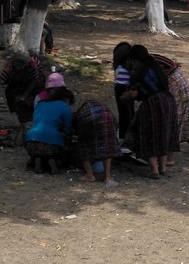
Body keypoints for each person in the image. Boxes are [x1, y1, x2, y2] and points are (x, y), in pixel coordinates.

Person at [123, 45, 178, 179]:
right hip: (168, 101)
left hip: (153, 104)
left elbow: (134, 93)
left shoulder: (139, 72)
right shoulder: (156, 67)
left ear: (135, 59)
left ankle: (154, 171)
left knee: (149, 135)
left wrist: (125, 97)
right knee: (164, 134)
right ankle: (163, 168)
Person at [24, 73, 74, 174]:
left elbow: (36, 120)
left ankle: (36, 159)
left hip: (31, 140)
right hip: (52, 144)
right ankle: (54, 160)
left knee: (39, 150)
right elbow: (67, 128)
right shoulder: (65, 107)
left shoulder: (40, 103)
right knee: (62, 149)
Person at [0, 51, 47, 125]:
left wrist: (25, 95)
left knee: (33, 96)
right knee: (10, 93)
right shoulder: (9, 67)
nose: (19, 67)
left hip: (34, 80)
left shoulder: (32, 65)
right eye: (17, 65)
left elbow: (35, 80)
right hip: (18, 80)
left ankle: (33, 115)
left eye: (22, 66)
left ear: (26, 64)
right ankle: (18, 115)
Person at [72, 99, 120, 186]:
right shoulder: (101, 105)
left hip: (90, 120)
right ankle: (108, 176)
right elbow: (116, 123)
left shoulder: (79, 114)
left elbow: (80, 133)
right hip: (109, 119)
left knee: (83, 145)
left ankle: (90, 175)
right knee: (107, 145)